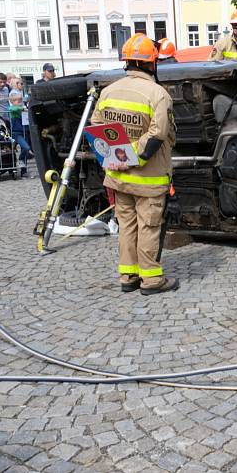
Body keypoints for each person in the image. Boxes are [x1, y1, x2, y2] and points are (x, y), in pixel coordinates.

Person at [91, 33, 179, 295]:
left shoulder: (108, 92)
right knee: (149, 226)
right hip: (148, 178)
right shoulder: (157, 94)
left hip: (118, 177)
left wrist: (118, 157)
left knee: (126, 226)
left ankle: (128, 276)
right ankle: (151, 280)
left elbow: (97, 129)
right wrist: (134, 157)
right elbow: (157, 135)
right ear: (150, 63)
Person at [9, 91, 31, 177]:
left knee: (24, 149)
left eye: (20, 100)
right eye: (17, 101)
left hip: (25, 132)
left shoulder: (23, 108)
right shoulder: (14, 110)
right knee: (26, 147)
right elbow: (11, 109)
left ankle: (23, 171)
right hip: (16, 133)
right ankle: (19, 161)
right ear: (12, 102)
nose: (20, 102)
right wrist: (22, 109)